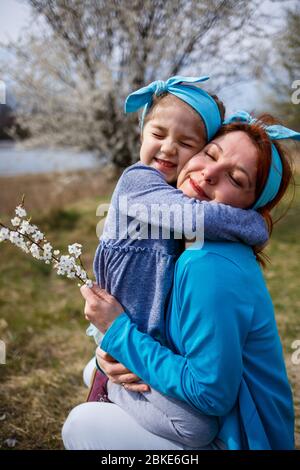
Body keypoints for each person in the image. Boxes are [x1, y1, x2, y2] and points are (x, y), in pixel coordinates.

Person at [62, 111, 297, 450]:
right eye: (211, 154)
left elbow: (210, 394)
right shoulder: (186, 239)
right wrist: (115, 351)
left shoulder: (208, 265)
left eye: (235, 178)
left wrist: (118, 332)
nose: (209, 174)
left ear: (248, 208)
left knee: (81, 426)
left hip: (238, 439)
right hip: (216, 420)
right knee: (94, 368)